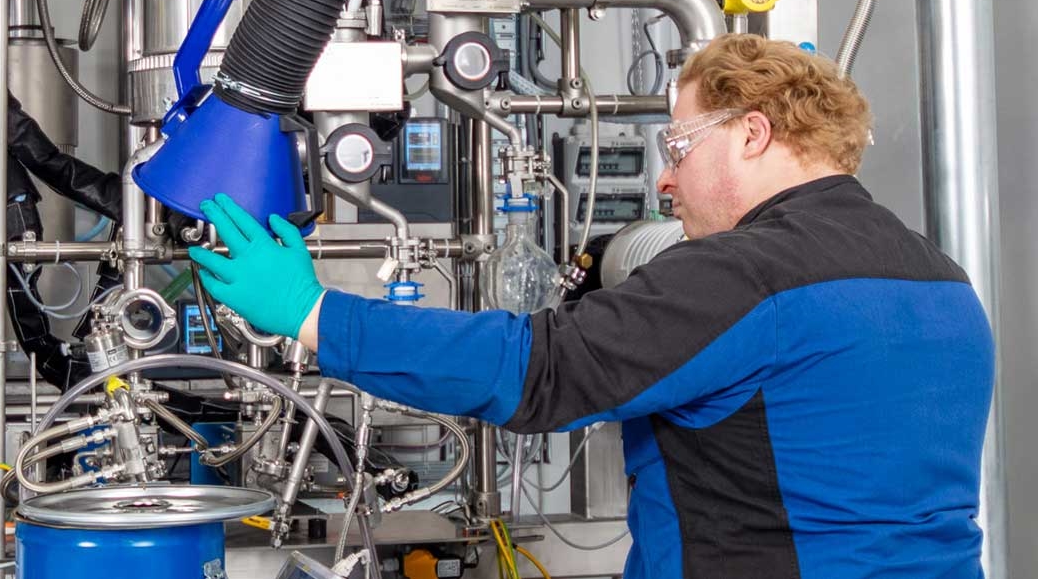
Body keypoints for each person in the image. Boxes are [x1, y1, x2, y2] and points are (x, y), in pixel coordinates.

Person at [188, 35, 993, 578]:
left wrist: (312, 313)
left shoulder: (748, 274)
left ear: (752, 134)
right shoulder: (943, 280)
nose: (666, 181)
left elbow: (536, 371)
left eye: (679, 147)